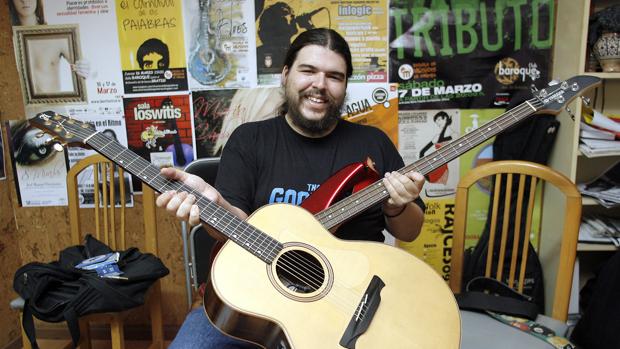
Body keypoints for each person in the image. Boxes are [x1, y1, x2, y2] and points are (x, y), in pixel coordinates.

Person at [156, 28, 426, 348]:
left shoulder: (373, 143)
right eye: (308, 71)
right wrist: (215, 203)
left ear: (345, 85)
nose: (320, 85)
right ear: (285, 75)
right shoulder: (250, 139)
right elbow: (236, 226)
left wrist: (396, 206)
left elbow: (410, 231)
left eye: (334, 76)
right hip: (259, 296)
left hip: (351, 301)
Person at [419, 111, 456, 184]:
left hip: (442, 168)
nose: (437, 123)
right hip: (435, 166)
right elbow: (422, 152)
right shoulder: (438, 136)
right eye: (436, 121)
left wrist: (446, 125)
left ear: (445, 118)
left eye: (439, 120)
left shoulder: (454, 134)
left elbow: (446, 139)